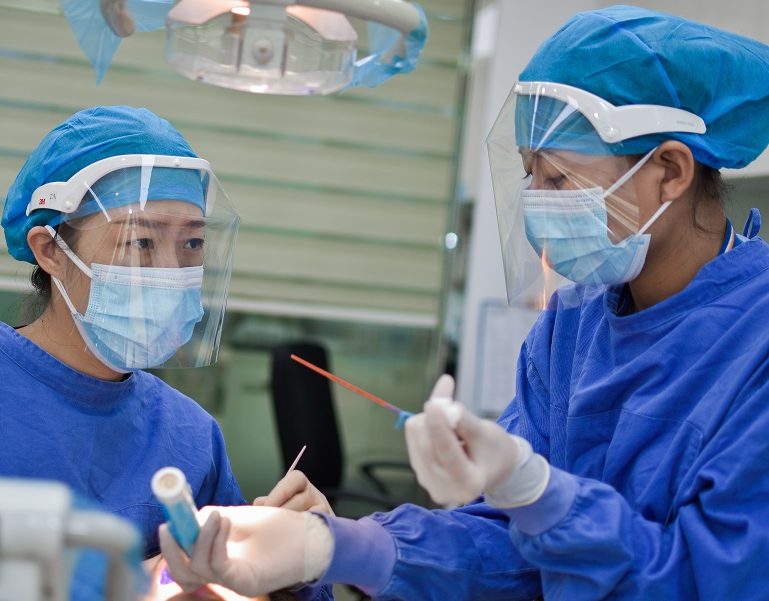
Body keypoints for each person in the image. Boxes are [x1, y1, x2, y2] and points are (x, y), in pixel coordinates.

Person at [158, 5, 769, 600]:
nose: (536, 201)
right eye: (529, 175)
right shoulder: (572, 327)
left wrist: (539, 493)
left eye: (557, 178)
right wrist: (340, 545)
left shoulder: (754, 345)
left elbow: (711, 578)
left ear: (669, 170)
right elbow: (509, 548)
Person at [0, 105, 247, 560]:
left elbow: (243, 578)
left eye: (192, 243)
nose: (171, 271)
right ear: (51, 250)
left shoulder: (192, 434)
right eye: (140, 241)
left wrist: (294, 563)